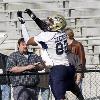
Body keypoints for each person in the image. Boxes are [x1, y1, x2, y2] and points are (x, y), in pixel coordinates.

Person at [17, 10, 84, 100]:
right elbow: (44, 27)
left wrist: (22, 23)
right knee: (73, 88)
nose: (48, 23)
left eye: (51, 22)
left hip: (57, 70)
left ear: (56, 25)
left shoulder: (45, 36)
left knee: (59, 97)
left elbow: (28, 40)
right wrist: (34, 17)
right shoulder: (63, 33)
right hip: (69, 68)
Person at [65, 28, 86, 92]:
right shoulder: (63, 45)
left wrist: (80, 73)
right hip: (66, 73)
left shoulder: (78, 44)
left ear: (67, 35)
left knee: (77, 92)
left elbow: (82, 59)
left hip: (76, 72)